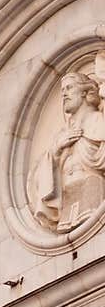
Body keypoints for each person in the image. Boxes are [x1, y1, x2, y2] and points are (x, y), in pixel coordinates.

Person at [29, 72, 105, 232]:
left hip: (92, 189)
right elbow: (40, 179)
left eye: (69, 88)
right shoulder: (61, 135)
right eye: (63, 90)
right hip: (67, 201)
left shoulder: (98, 120)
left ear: (84, 92)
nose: (64, 93)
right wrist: (57, 150)